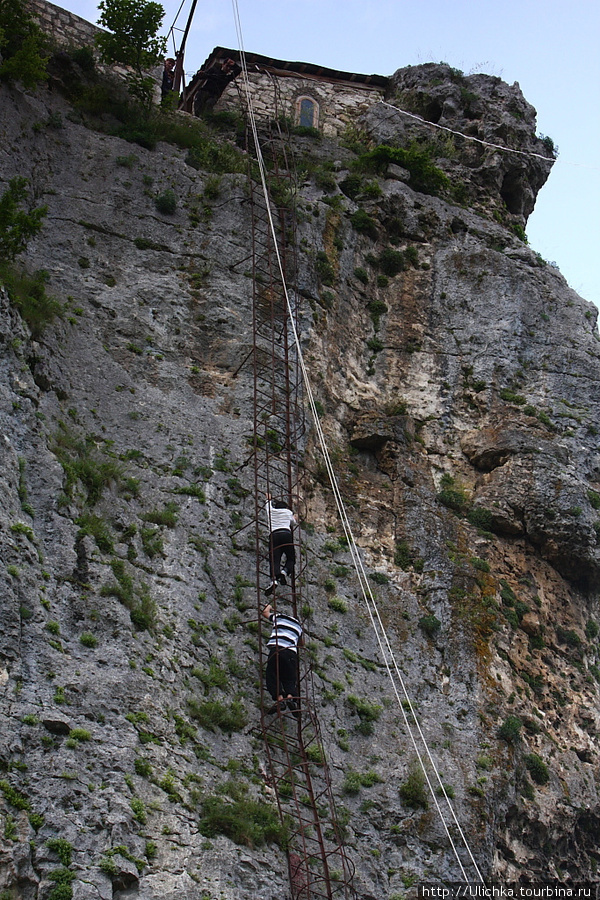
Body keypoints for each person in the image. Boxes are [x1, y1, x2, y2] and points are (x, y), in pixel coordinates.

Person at [262, 604, 303, 714]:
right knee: (289, 678)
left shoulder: (280, 617)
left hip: (277, 649)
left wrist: (269, 607)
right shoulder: (299, 627)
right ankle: (290, 697)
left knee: (272, 674)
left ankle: (280, 699)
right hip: (291, 654)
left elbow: (265, 613)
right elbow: (301, 644)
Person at [264, 493, 296, 595]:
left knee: (274, 559)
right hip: (286, 534)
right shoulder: (288, 512)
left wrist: (268, 499)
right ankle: (284, 572)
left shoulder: (271, 511)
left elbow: (268, 505)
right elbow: (293, 522)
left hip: (274, 535)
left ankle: (273, 580)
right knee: (291, 558)